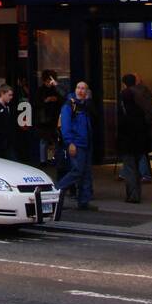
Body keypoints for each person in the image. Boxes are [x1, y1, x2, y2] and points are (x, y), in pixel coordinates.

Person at [57, 80, 96, 211]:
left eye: (83, 88)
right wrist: (70, 143)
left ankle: (84, 202)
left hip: (85, 143)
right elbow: (65, 126)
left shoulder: (84, 106)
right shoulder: (70, 106)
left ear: (87, 92)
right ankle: (56, 191)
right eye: (78, 88)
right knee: (77, 171)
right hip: (77, 143)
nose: (80, 90)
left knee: (85, 173)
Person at [116, 73, 152, 203]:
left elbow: (122, 118)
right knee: (137, 165)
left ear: (124, 83)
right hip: (142, 136)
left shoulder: (125, 95)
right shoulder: (144, 93)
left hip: (128, 137)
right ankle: (137, 193)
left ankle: (132, 195)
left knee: (130, 167)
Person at [34, 70, 63, 166]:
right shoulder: (40, 90)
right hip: (45, 119)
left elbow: (62, 98)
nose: (49, 83)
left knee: (54, 140)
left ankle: (52, 158)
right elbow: (37, 103)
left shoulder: (55, 90)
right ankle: (44, 160)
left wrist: (55, 99)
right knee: (44, 140)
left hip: (53, 118)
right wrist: (47, 100)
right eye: (47, 81)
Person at [132, 73, 152, 182]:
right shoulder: (144, 92)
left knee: (139, 151)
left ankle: (144, 173)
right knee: (141, 151)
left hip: (139, 126)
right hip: (142, 125)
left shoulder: (137, 93)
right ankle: (144, 173)